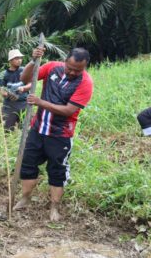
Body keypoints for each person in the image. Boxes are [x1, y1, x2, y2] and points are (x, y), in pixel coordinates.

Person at [15, 47, 93, 222]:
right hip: (38, 129)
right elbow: (24, 78)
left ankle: (54, 207)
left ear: (85, 66)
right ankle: (25, 198)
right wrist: (33, 60)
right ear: (65, 61)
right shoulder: (51, 67)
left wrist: (40, 102)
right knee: (28, 164)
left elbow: (68, 110)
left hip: (60, 134)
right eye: (70, 67)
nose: (72, 72)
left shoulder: (85, 83)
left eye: (77, 70)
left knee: (57, 170)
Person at [0, 49, 32, 131]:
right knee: (7, 129)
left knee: (25, 129)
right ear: (10, 60)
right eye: (16, 58)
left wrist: (24, 88)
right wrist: (7, 94)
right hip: (9, 105)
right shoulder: (2, 75)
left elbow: (31, 84)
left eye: (20, 58)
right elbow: (1, 89)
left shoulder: (24, 70)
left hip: (24, 104)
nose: (19, 60)